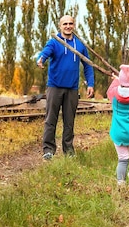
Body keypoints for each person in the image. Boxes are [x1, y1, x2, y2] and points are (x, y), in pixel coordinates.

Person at [36, 15, 94, 160]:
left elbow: (87, 64)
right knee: (51, 120)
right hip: (55, 87)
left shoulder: (79, 44)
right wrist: (41, 58)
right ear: (60, 26)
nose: (68, 26)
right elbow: (46, 52)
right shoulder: (54, 42)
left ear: (74, 25)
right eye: (65, 24)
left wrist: (91, 83)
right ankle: (48, 150)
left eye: (71, 24)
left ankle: (68, 151)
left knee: (69, 121)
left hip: (72, 88)